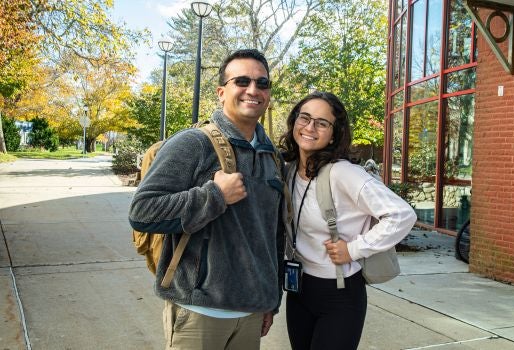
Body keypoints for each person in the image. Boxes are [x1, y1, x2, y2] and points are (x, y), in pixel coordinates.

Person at [128, 49, 285, 350]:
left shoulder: (272, 157)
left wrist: (271, 299)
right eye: (242, 81)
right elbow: (142, 212)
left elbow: (273, 236)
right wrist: (214, 196)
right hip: (199, 312)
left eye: (262, 83)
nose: (253, 90)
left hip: (252, 313)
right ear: (222, 91)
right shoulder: (193, 143)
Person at [279, 91, 417, 350]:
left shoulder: (343, 173)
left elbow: (402, 215)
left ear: (335, 133)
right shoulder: (289, 170)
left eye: (322, 123)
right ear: (294, 121)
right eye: (304, 118)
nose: (310, 127)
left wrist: (353, 249)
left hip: (339, 294)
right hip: (299, 289)